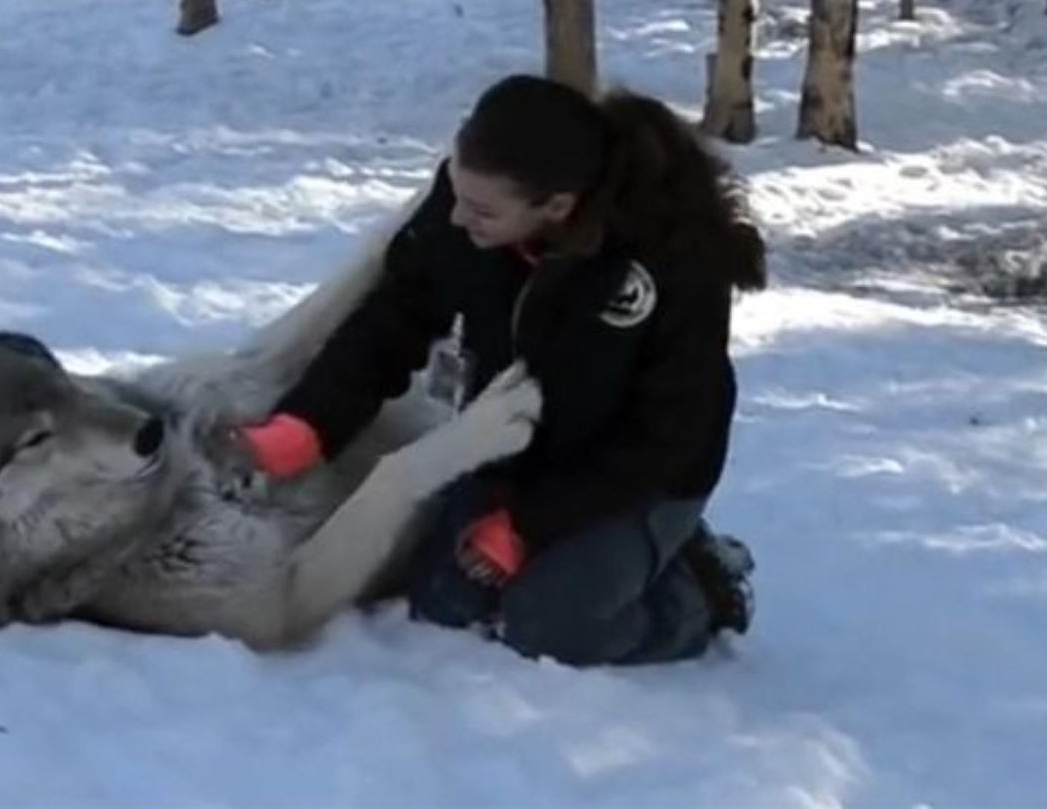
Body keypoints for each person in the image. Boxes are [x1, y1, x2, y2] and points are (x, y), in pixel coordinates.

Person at [237, 74, 767, 666]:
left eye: (481, 209)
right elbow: (390, 322)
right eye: (455, 190)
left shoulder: (671, 258)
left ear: (557, 206)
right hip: (514, 455)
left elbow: (667, 436)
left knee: (548, 626)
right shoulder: (469, 210)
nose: (456, 218)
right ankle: (600, 553)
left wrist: (528, 526)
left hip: (637, 477)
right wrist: (307, 423)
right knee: (443, 603)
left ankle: (701, 589)